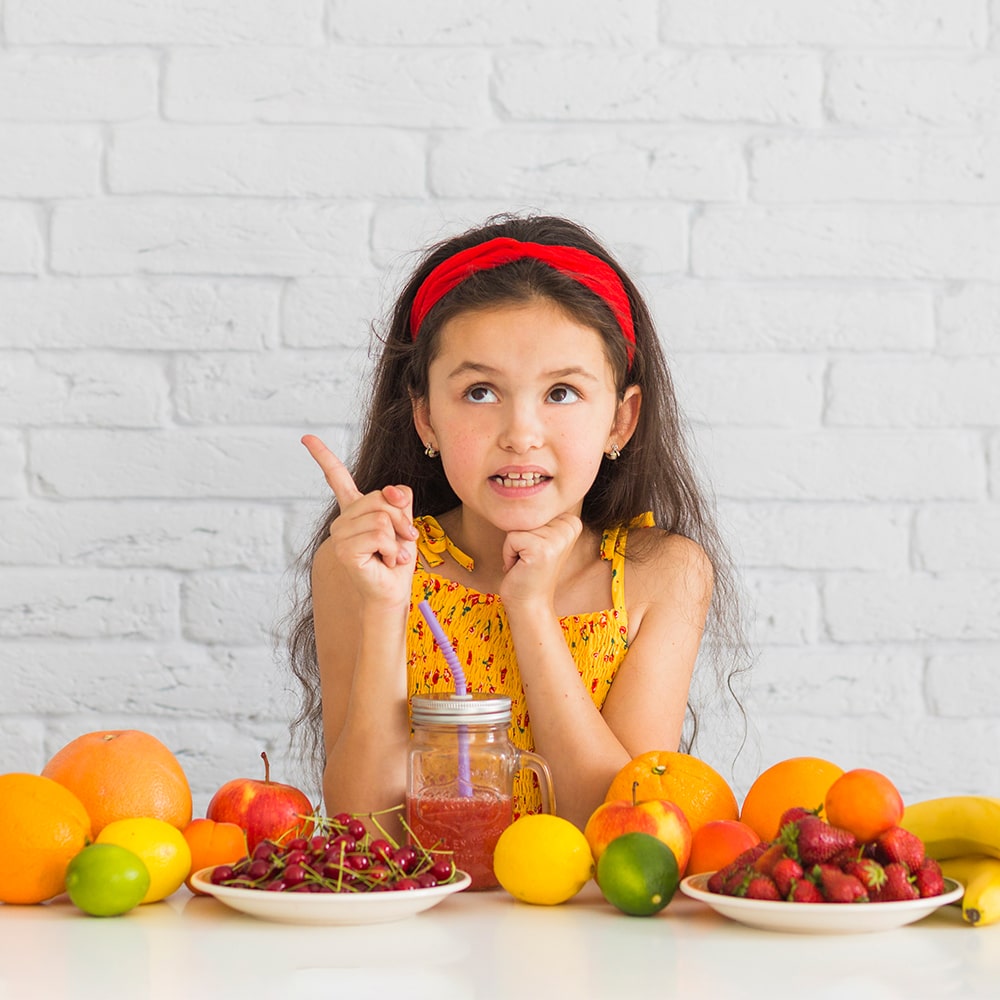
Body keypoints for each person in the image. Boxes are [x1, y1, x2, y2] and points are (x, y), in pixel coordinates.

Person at [286, 213, 748, 832]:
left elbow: (620, 829)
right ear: (425, 417)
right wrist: (385, 608)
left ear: (621, 419)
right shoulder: (366, 566)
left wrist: (528, 610)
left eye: (561, 393)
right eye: (480, 391)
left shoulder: (661, 575)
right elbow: (368, 830)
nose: (520, 436)